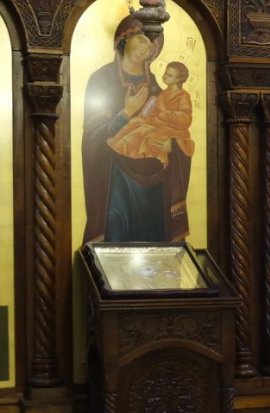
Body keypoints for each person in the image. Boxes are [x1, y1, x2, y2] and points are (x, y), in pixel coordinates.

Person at [82, 15, 192, 243]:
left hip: (155, 186)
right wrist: (126, 113)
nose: (147, 48)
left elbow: (178, 128)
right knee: (116, 238)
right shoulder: (102, 80)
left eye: (153, 45)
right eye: (142, 39)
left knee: (154, 243)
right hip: (116, 181)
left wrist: (172, 145)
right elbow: (92, 138)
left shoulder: (157, 88)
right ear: (125, 39)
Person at [108, 61, 196, 169]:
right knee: (135, 121)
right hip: (158, 124)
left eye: (170, 75)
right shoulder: (163, 93)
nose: (165, 76)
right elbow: (154, 111)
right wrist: (147, 112)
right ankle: (118, 141)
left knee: (143, 131)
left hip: (172, 129)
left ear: (178, 80)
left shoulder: (183, 96)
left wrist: (165, 114)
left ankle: (125, 146)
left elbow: (186, 119)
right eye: (165, 73)